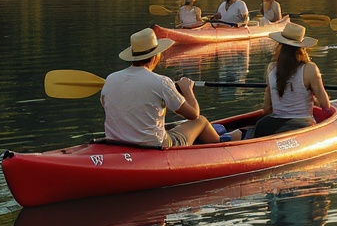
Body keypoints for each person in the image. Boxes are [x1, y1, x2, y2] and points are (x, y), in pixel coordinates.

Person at [100, 29, 240, 147]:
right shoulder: (161, 82)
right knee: (201, 121)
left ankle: (218, 135)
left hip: (117, 144)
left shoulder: (111, 79)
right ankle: (223, 143)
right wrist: (187, 89)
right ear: (155, 56)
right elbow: (193, 114)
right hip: (156, 145)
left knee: (176, 126)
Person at [250, 22, 332, 139]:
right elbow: (325, 105)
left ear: (280, 46)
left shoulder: (271, 68)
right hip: (301, 124)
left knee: (259, 125)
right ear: (302, 48)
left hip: (268, 126)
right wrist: (313, 99)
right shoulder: (310, 68)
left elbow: (267, 108)